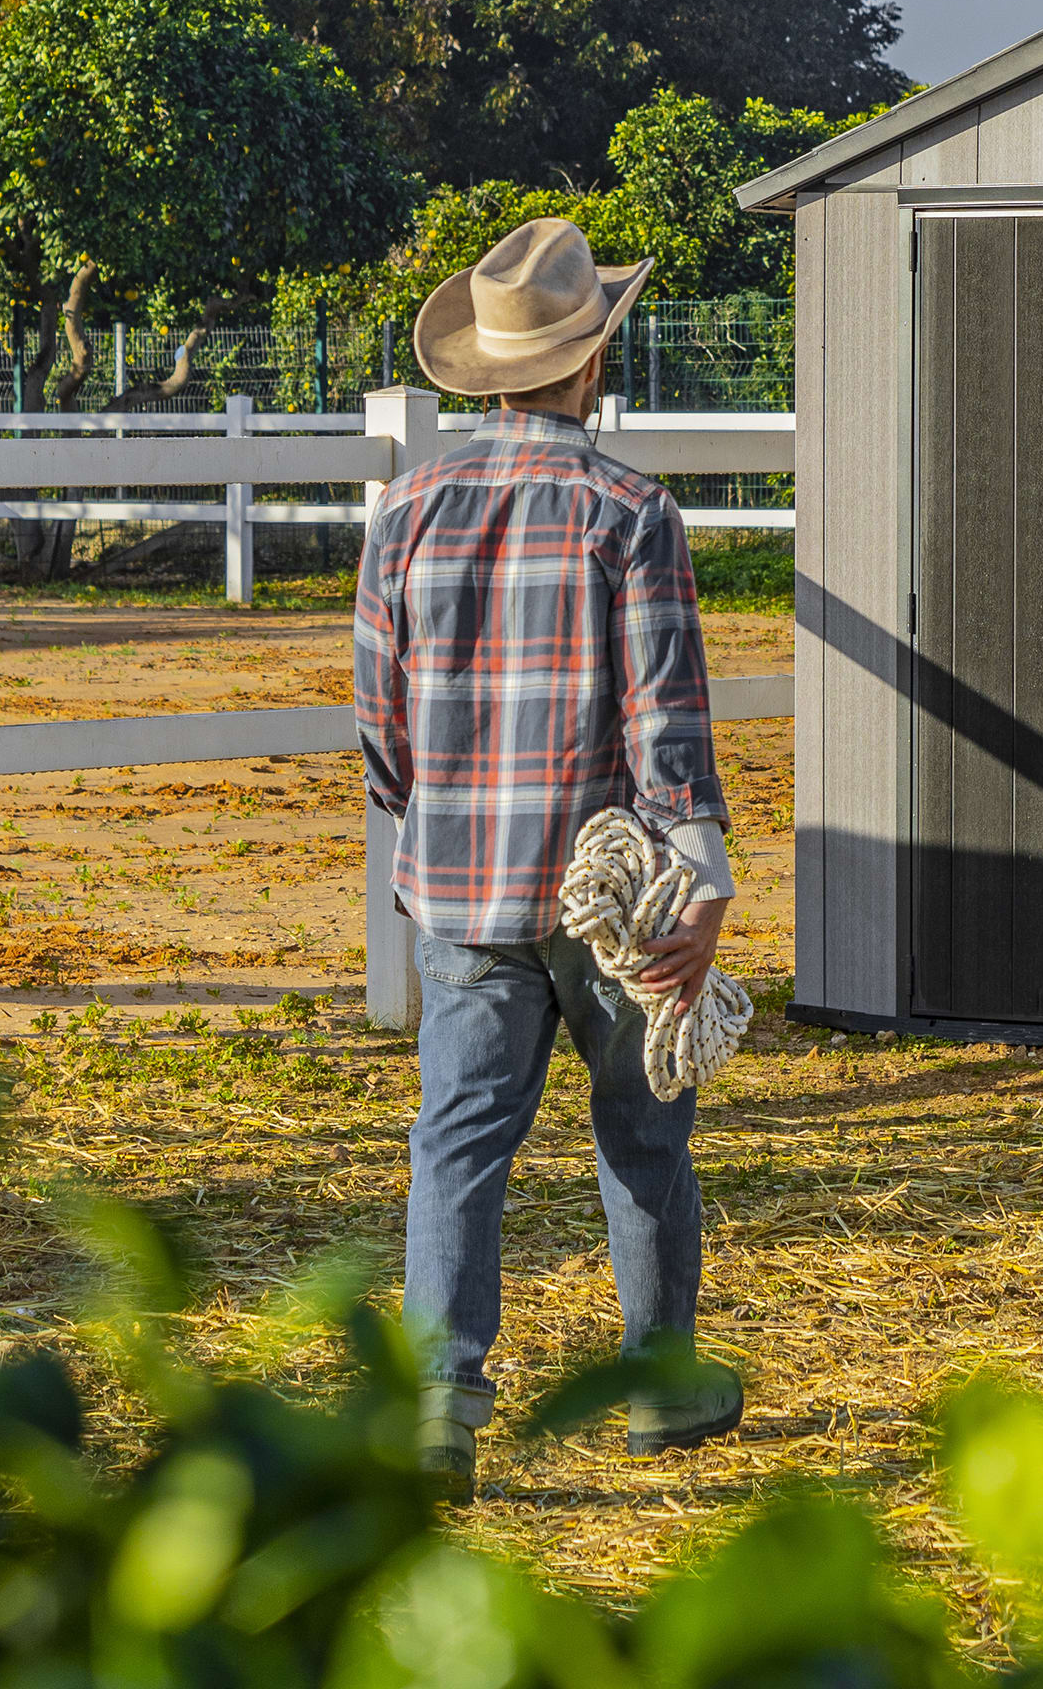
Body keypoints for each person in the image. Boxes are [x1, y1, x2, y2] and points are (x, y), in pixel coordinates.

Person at [355, 216, 745, 1498]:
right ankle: (659, 1387)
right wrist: (704, 879)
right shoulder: (631, 511)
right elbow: (664, 718)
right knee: (642, 1131)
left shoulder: (406, 510)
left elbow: (380, 718)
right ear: (591, 362)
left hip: (462, 888)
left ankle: (442, 1403)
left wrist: (434, 821)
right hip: (611, 899)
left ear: (489, 370)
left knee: (458, 1140)